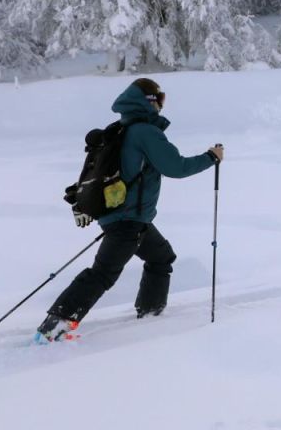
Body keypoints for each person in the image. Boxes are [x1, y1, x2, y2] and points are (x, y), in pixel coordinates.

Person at [35, 78, 222, 342]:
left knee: (161, 257)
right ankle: (54, 327)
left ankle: (150, 314)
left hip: (130, 218)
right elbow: (176, 167)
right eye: (161, 98)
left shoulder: (122, 129)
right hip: (128, 220)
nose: (162, 104)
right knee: (102, 274)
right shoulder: (144, 131)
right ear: (150, 101)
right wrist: (211, 158)